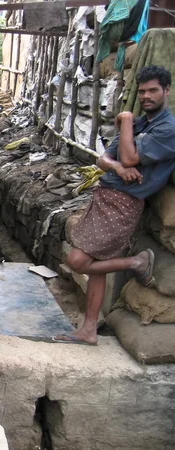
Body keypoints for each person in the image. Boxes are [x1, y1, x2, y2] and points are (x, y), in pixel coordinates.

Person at [54, 65, 175, 346]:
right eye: (142, 91)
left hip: (122, 204)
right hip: (106, 196)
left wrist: (126, 120)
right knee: (97, 264)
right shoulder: (143, 123)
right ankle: (88, 330)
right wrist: (118, 168)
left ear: (166, 91)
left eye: (153, 90)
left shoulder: (166, 129)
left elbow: (131, 157)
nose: (146, 96)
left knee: (77, 262)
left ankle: (136, 261)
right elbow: (104, 158)